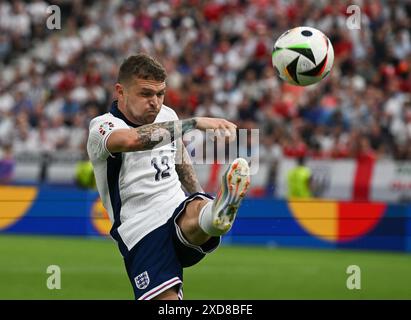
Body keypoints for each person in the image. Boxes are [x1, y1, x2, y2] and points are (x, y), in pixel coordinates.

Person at [86, 53, 250, 300]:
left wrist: (198, 193)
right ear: (121, 92)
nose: (155, 102)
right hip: (140, 228)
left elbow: (180, 158)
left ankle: (214, 214)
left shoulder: (169, 116)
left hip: (175, 207)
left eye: (160, 94)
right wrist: (195, 123)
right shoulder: (102, 127)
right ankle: (211, 215)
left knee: (195, 209)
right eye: (145, 94)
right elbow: (131, 140)